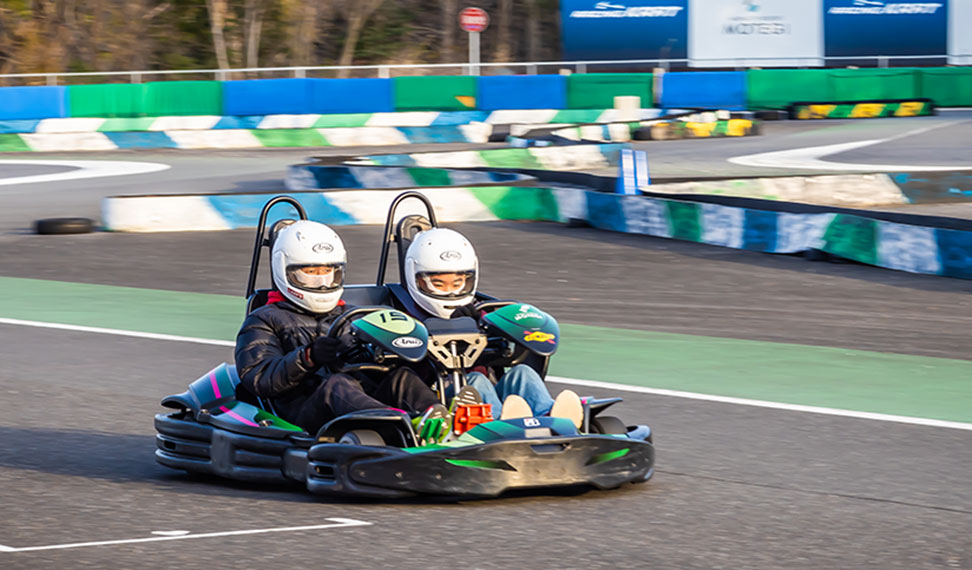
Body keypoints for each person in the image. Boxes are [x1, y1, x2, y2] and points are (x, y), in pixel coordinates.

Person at [234, 219, 447, 437]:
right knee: (337, 385)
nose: (323, 282)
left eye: (328, 271)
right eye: (311, 272)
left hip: (354, 398)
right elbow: (259, 377)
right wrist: (307, 357)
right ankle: (402, 426)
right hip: (299, 412)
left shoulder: (355, 315)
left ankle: (438, 420)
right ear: (285, 271)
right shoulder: (264, 319)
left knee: (401, 377)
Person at [397, 227, 583, 427]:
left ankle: (549, 416)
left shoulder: (479, 312)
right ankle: (500, 423)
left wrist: (487, 330)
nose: (450, 292)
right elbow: (403, 376)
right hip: (442, 399)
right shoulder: (404, 318)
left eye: (457, 282)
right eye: (439, 283)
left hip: (487, 394)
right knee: (476, 380)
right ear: (416, 278)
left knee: (523, 373)